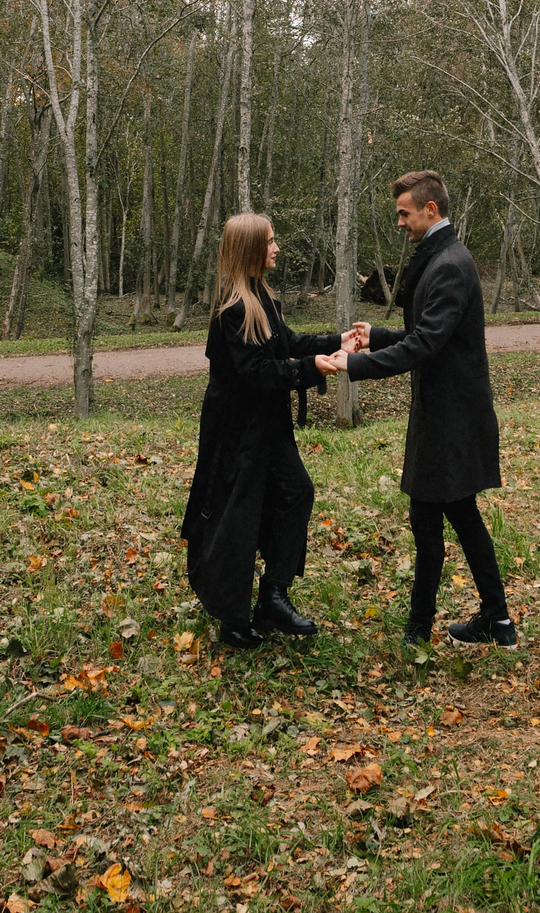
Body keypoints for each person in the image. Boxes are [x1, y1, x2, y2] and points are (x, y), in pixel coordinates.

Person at [341, 170, 516, 646]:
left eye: (404, 213)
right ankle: (497, 621)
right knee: (459, 516)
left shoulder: (450, 264)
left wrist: (354, 365)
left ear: (430, 209)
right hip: (443, 415)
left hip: (450, 420)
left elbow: (424, 345)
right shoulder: (442, 258)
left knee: (429, 520)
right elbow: (428, 334)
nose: (399, 222)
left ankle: (420, 631)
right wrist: (377, 337)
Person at [181, 212, 349, 647]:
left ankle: (274, 595)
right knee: (236, 516)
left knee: (296, 493)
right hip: (235, 430)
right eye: (270, 241)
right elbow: (255, 371)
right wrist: (309, 369)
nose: (277, 248)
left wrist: (338, 342)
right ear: (250, 249)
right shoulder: (233, 308)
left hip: (267, 423)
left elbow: (287, 343)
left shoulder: (262, 296)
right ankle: (232, 617)